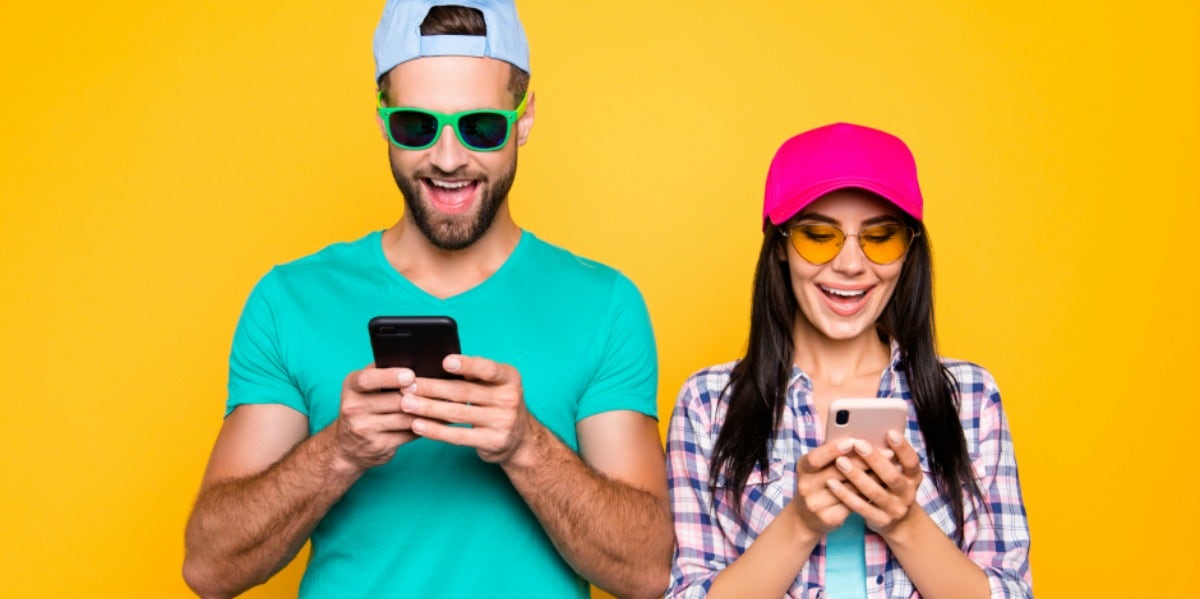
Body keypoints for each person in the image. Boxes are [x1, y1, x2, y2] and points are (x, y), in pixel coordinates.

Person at [181, 2, 672, 597]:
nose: (447, 158)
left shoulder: (605, 306)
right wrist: (339, 450)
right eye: (417, 126)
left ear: (524, 119)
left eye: (480, 126)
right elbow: (209, 569)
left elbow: (647, 573)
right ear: (383, 119)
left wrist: (525, 446)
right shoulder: (290, 299)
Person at [665, 123, 1032, 598]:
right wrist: (799, 523)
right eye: (819, 236)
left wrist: (904, 524)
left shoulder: (969, 400)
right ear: (779, 245)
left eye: (881, 238)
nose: (852, 264)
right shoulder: (709, 404)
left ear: (910, 251)